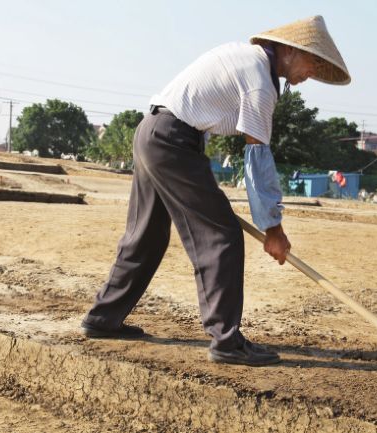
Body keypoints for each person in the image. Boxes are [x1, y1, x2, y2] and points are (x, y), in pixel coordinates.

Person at [81, 16, 350, 366]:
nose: (310, 73)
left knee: (145, 236)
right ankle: (226, 341)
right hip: (172, 141)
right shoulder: (259, 83)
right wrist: (273, 229)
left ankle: (103, 318)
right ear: (289, 50)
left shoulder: (245, 57)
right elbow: (257, 160)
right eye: (312, 62)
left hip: (153, 132)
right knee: (221, 235)